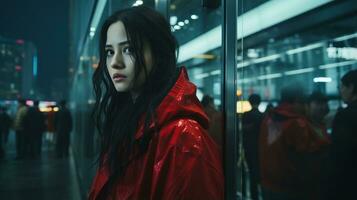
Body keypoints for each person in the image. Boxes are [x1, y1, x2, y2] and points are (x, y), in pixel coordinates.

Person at [89, 6, 224, 200]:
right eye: (110, 52)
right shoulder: (127, 120)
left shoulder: (184, 140)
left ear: (158, 53)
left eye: (128, 49)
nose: (115, 62)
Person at [259, 83, 329, 200]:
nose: (305, 107)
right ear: (297, 101)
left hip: (269, 185)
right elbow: (308, 156)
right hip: (291, 188)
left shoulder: (269, 118)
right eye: (304, 102)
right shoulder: (297, 123)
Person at [326, 69, 357, 199]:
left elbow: (339, 153)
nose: (341, 91)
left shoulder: (345, 115)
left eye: (342, 87)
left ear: (351, 87)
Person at [242, 94, 264, 200]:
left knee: (251, 175)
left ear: (249, 102)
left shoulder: (246, 115)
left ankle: (253, 196)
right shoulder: (262, 116)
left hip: (248, 149)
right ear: (259, 102)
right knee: (261, 174)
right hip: (260, 150)